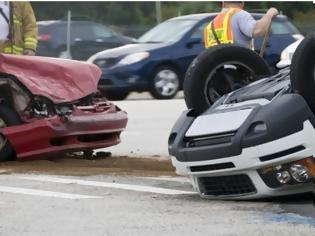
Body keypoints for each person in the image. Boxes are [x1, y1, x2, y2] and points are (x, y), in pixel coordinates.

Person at [204, 1, 279, 49]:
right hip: (239, 69)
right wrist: (270, 13)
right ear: (243, 3)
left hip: (217, 70)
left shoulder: (209, 26)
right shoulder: (239, 14)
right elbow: (257, 31)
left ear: (223, 3)